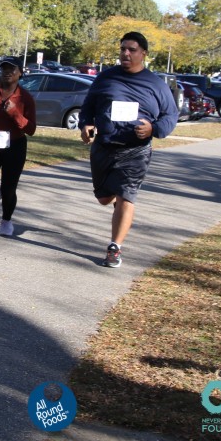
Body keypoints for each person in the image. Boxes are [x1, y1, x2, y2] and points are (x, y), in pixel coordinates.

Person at [78, 32, 179, 268]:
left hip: (136, 150)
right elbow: (88, 106)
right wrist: (86, 124)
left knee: (126, 196)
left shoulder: (156, 84)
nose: (126, 53)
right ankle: (117, 199)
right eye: (123, 49)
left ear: (143, 53)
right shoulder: (106, 78)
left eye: (132, 50)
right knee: (104, 198)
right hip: (104, 146)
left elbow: (171, 115)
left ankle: (115, 248)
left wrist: (153, 128)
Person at [0, 59, 37, 236]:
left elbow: (31, 129)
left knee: (9, 188)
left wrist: (14, 112)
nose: (7, 72)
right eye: (4, 69)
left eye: (12, 69)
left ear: (20, 73)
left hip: (15, 146)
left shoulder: (25, 98)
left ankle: (6, 221)